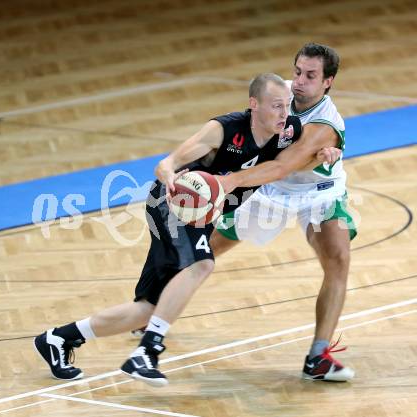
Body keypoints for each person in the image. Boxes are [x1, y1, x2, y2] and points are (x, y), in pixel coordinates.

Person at [33, 72, 338, 386]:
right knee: (202, 264)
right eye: (276, 106)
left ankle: (58, 338)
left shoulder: (287, 131)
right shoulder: (223, 129)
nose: (284, 114)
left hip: (200, 217)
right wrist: (169, 175)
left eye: (287, 106)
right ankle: (147, 352)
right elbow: (168, 163)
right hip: (171, 206)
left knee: (147, 310)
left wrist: (323, 158)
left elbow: (287, 166)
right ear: (253, 104)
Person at [210, 43, 356, 382]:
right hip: (272, 193)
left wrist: (228, 183)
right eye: (298, 72)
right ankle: (153, 307)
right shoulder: (278, 96)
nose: (300, 81)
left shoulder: (325, 124)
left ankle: (318, 356)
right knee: (209, 248)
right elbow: (243, 133)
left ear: (328, 82)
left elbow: (281, 165)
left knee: (338, 260)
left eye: (311, 76)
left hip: (318, 193)